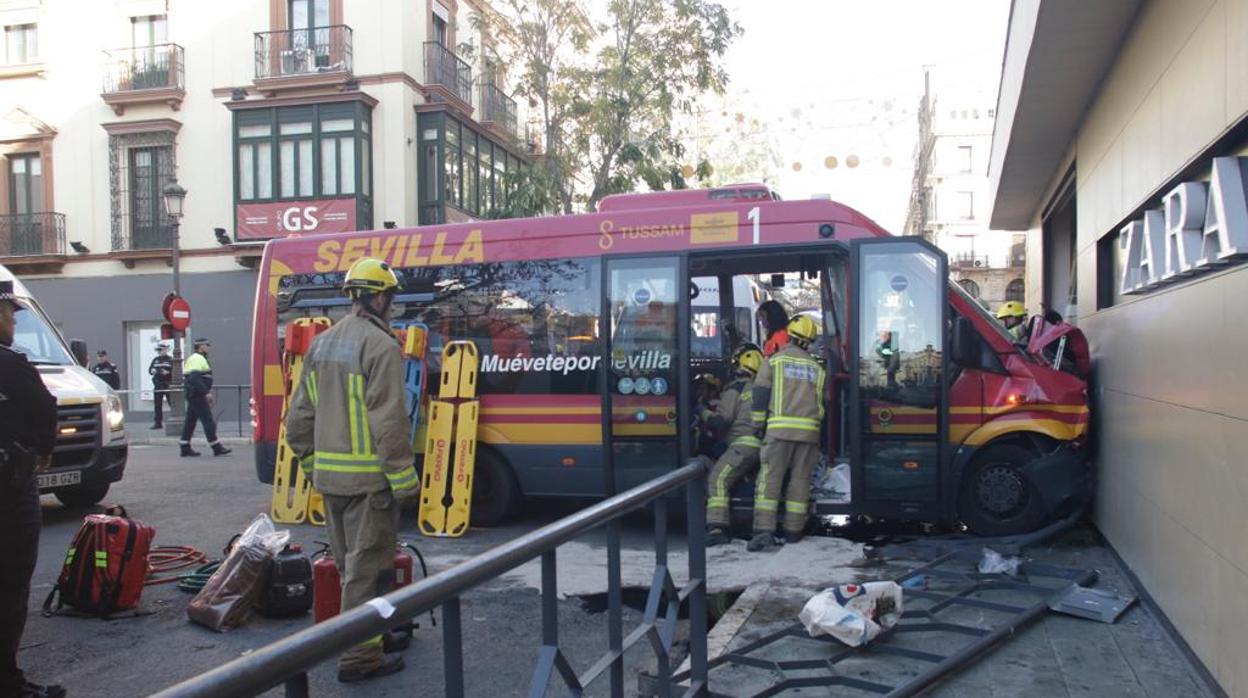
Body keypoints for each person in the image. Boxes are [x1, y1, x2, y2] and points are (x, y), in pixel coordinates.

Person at [286, 258, 420, 683]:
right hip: (369, 485)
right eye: (391, 297)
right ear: (379, 297)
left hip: (332, 483)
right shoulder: (380, 346)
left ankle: (372, 637)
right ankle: (360, 660)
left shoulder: (322, 345)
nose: (392, 304)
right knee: (367, 573)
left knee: (351, 569)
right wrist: (404, 482)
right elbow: (390, 422)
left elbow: (297, 422)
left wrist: (313, 466)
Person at [0, 281, 64, 698]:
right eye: (8, 314)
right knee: (10, 584)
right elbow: (45, 410)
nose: (12, 323)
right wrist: (43, 450)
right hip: (9, 488)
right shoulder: (10, 363)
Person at [748, 315, 826, 551]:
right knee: (800, 482)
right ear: (810, 341)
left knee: (770, 480)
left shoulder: (773, 361)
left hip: (779, 432)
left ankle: (764, 532)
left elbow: (760, 396)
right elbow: (822, 406)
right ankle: (794, 531)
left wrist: (758, 426)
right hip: (809, 434)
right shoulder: (817, 368)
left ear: (789, 335)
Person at [702, 344, 764, 546]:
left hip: (742, 446)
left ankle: (717, 527)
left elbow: (722, 421)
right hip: (762, 445)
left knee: (718, 479)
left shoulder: (735, 389)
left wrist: (701, 411)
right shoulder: (762, 390)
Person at [179, 338, 231, 457]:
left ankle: (185, 446)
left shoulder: (199, 358)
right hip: (197, 395)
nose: (209, 347)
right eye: (207, 345)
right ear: (201, 347)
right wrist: (206, 392)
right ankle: (216, 447)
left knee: (190, 421)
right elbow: (194, 378)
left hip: (194, 394)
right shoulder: (197, 358)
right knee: (208, 420)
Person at [148, 344, 174, 430]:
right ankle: (158, 423)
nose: (159, 352)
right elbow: (150, 370)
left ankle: (175, 419)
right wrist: (152, 371)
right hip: (158, 384)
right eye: (158, 350)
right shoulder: (155, 360)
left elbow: (175, 371)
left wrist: (168, 373)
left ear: (165, 350)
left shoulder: (170, 360)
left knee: (172, 403)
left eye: (161, 350)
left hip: (167, 384)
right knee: (157, 405)